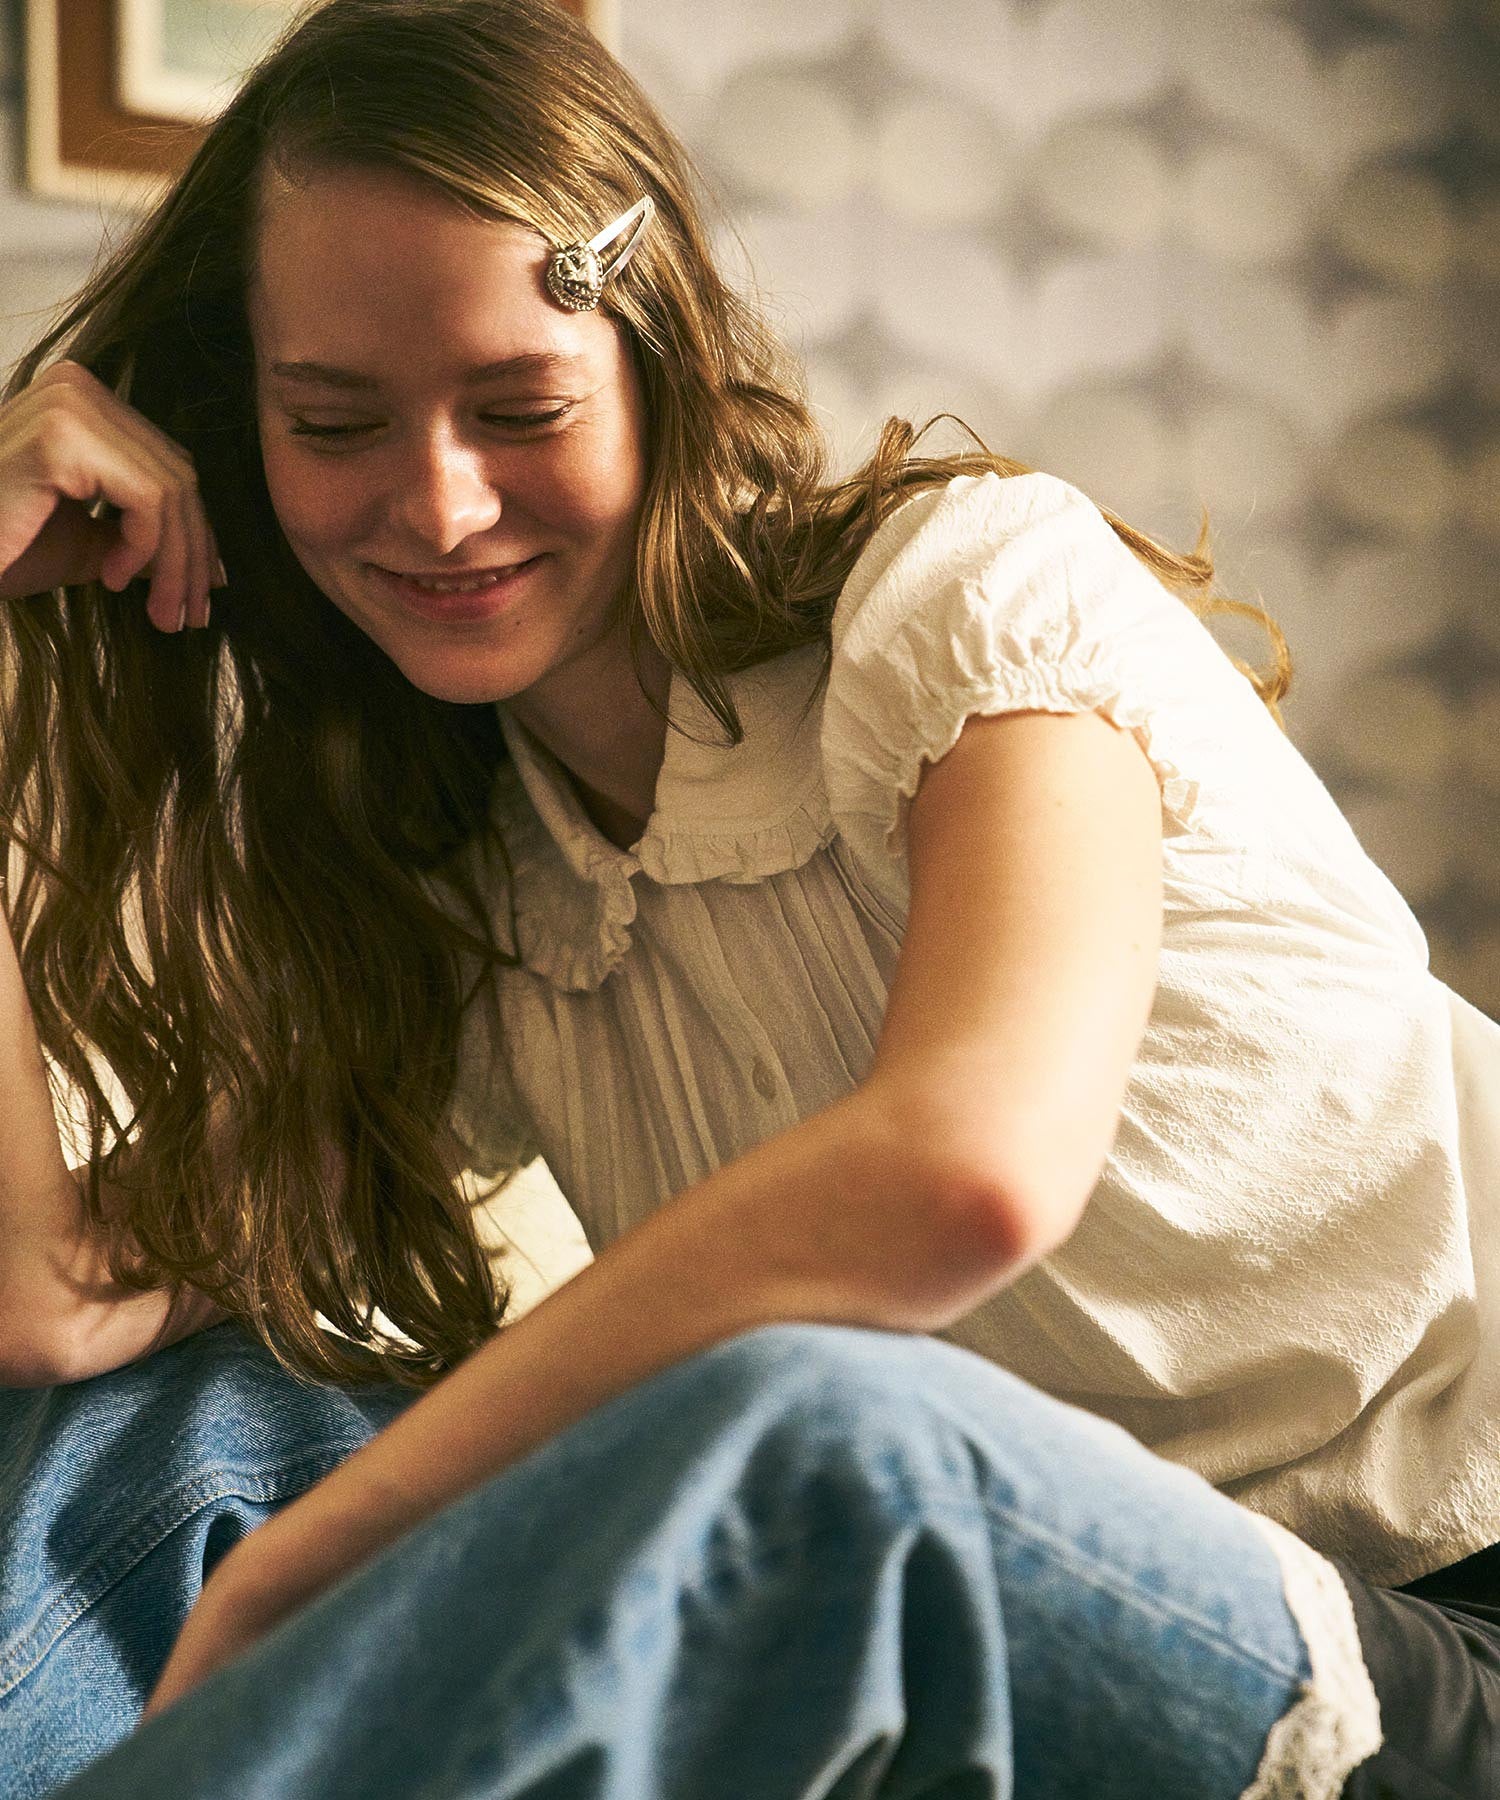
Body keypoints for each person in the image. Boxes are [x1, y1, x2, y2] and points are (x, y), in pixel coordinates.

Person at [0, 1, 1495, 1794]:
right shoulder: (467, 882)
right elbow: (50, 1296)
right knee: (179, 1430)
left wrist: (314, 1564)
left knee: (821, 1435)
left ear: (659, 365)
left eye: (522, 408)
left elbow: (963, 1173)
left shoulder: (975, 599)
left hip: (1437, 1623)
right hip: (1015, 1655)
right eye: (334, 424)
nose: (440, 506)